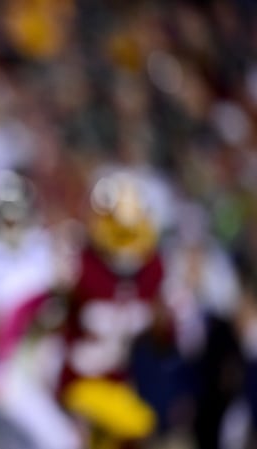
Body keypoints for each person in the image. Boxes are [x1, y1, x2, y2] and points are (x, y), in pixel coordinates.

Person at [0, 170, 80, 449]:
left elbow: (65, 309)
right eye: (3, 214)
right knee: (61, 440)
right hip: (0, 368)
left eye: (16, 213)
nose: (11, 222)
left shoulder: (44, 248)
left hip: (44, 361)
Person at [55, 171, 169, 449]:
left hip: (119, 381)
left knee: (135, 431)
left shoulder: (152, 269)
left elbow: (164, 338)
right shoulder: (80, 266)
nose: (125, 239)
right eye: (119, 229)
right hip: (78, 383)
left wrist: (159, 319)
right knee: (133, 426)